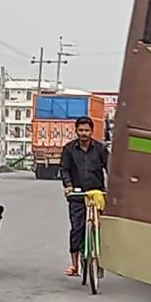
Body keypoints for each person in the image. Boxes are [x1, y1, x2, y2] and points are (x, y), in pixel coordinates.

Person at [59, 116, 108, 277]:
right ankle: (74, 265)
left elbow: (110, 168)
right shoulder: (69, 149)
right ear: (76, 131)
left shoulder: (100, 149)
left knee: (100, 228)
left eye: (87, 130)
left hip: (97, 195)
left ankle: (100, 262)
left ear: (92, 131)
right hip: (77, 195)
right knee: (77, 229)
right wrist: (68, 186)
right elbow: (64, 169)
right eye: (81, 130)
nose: (84, 133)